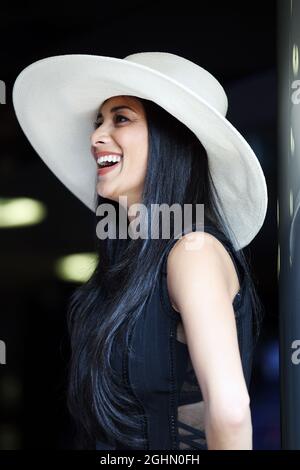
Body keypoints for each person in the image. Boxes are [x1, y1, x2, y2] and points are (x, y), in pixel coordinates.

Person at [12, 52, 268, 450]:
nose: (96, 136)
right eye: (99, 121)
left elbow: (231, 412)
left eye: (122, 118)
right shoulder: (132, 265)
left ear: (172, 137)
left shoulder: (193, 250)